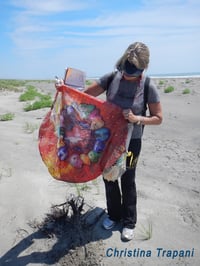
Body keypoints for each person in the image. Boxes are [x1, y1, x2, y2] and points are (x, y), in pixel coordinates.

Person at [84, 41, 163, 241]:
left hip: (131, 143)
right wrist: (64, 88)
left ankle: (129, 222)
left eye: (133, 73)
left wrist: (137, 119)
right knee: (109, 177)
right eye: (124, 70)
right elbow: (84, 96)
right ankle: (113, 215)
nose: (127, 75)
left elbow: (158, 118)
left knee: (128, 178)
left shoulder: (148, 86)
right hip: (106, 140)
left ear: (144, 67)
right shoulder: (111, 78)